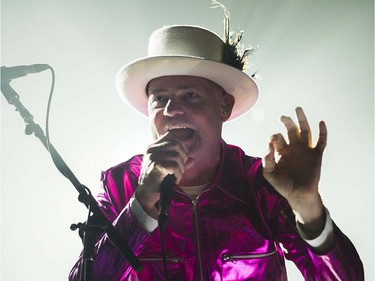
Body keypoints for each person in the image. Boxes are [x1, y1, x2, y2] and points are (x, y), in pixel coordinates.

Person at [69, 12, 364, 281]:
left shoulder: (261, 184)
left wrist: (308, 207)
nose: (172, 109)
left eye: (191, 95)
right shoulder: (117, 184)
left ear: (224, 106)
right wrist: (142, 201)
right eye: (159, 98)